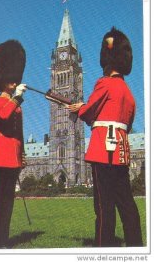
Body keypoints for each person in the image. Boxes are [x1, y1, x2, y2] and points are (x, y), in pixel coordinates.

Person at [68, 27, 143, 247]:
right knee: (127, 205)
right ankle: (136, 247)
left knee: (103, 208)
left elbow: (90, 112)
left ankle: (104, 248)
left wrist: (79, 108)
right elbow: (125, 124)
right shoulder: (128, 93)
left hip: (102, 153)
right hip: (120, 153)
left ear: (107, 61)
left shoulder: (104, 84)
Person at [0, 40, 27, 249]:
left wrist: (23, 156)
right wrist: (17, 98)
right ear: (2, 78)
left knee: (7, 206)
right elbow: (2, 114)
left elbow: (20, 134)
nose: (14, 81)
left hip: (13, 159)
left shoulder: (16, 106)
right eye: (10, 77)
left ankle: (2, 243)